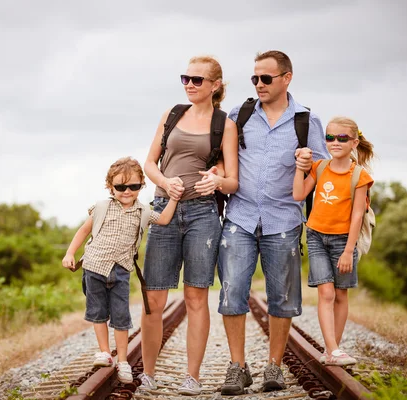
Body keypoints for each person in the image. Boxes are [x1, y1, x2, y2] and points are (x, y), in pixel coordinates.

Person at [217, 50, 330, 395]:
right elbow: (224, 157)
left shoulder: (305, 121)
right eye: (255, 78)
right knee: (232, 292)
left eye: (266, 78)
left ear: (286, 78)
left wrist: (307, 168)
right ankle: (238, 367)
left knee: (282, 297)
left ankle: (274, 367)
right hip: (240, 216)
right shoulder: (240, 114)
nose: (259, 84)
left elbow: (324, 167)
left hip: (283, 220)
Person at [139, 55, 239, 396]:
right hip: (163, 210)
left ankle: (192, 377)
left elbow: (232, 180)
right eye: (186, 78)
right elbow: (149, 164)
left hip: (202, 215)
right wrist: (166, 184)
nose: (190, 85)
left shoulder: (224, 124)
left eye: (197, 80)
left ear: (216, 85)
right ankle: (148, 374)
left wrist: (217, 181)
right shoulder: (172, 114)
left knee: (196, 297)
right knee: (154, 299)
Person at [62, 157, 178, 384]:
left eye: (133, 187)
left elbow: (164, 219)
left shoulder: (144, 212)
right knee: (97, 313)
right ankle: (105, 353)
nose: (126, 191)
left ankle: (123, 361)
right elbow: (83, 231)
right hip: (94, 266)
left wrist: (173, 197)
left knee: (121, 317)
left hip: (121, 270)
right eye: (120, 187)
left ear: (141, 186)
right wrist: (69, 253)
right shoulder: (101, 207)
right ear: (110, 186)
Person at [293, 117, 374, 366]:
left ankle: (332, 350)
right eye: (330, 137)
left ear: (354, 143)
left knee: (340, 295)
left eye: (341, 138)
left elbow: (358, 215)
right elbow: (298, 194)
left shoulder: (360, 176)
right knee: (325, 293)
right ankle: (334, 350)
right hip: (317, 236)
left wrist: (349, 251)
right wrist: (299, 167)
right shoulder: (319, 168)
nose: (334, 142)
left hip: (343, 242)